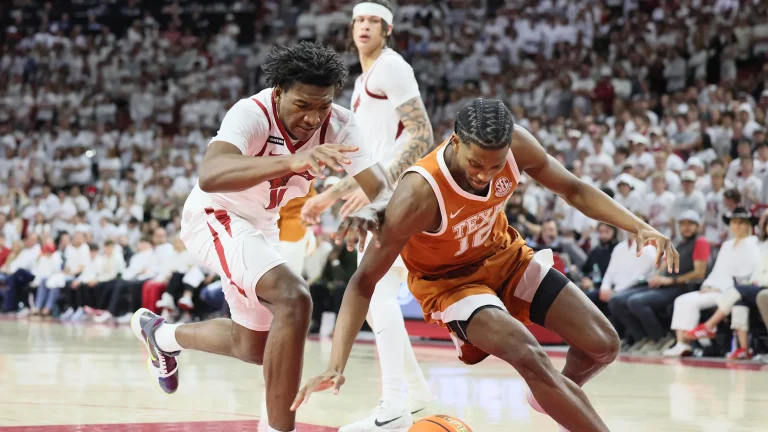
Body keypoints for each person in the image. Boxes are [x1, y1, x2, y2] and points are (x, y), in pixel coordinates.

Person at [293, 99, 679, 432]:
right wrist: (335, 362)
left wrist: (639, 226)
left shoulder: (516, 148)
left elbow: (574, 189)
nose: (485, 175)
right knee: (529, 354)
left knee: (603, 345)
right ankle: (551, 388)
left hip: (506, 258)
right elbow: (363, 282)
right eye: (477, 164)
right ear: (456, 142)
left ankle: (547, 394)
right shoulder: (419, 194)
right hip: (452, 285)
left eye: (495, 167)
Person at [129, 42, 392, 432]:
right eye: (303, 104)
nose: (313, 117)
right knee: (294, 297)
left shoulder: (340, 124)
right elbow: (211, 173)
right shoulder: (251, 113)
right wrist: (290, 160)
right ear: (279, 92)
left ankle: (163, 335)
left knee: (255, 347)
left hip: (261, 226)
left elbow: (382, 189)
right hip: (215, 213)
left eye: (322, 105)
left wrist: (371, 209)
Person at [301, 1, 436, 428]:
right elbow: (371, 157)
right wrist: (332, 194)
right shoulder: (363, 80)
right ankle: (414, 392)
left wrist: (378, 187)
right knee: (376, 302)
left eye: (374, 21)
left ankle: (394, 402)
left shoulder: (392, 68)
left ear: (388, 29)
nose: (365, 26)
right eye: (359, 20)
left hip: (397, 195)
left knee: (373, 290)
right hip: (382, 193)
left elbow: (421, 132)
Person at [608, 210, 710, 354]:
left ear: (698, 226)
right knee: (616, 300)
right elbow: (663, 264)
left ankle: (660, 338)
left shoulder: (700, 242)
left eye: (690, 224)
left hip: (681, 287)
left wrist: (670, 280)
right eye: (683, 224)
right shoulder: (679, 244)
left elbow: (699, 272)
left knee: (637, 301)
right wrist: (657, 275)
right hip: (663, 285)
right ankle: (642, 338)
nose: (686, 227)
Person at [664, 207, 761, 357]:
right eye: (734, 222)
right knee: (682, 300)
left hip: (732, 290)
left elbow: (746, 273)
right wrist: (709, 285)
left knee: (694, 301)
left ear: (749, 225)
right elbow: (718, 269)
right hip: (715, 286)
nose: (737, 226)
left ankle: (708, 330)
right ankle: (682, 344)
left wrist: (720, 287)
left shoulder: (753, 244)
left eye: (741, 222)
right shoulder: (727, 245)